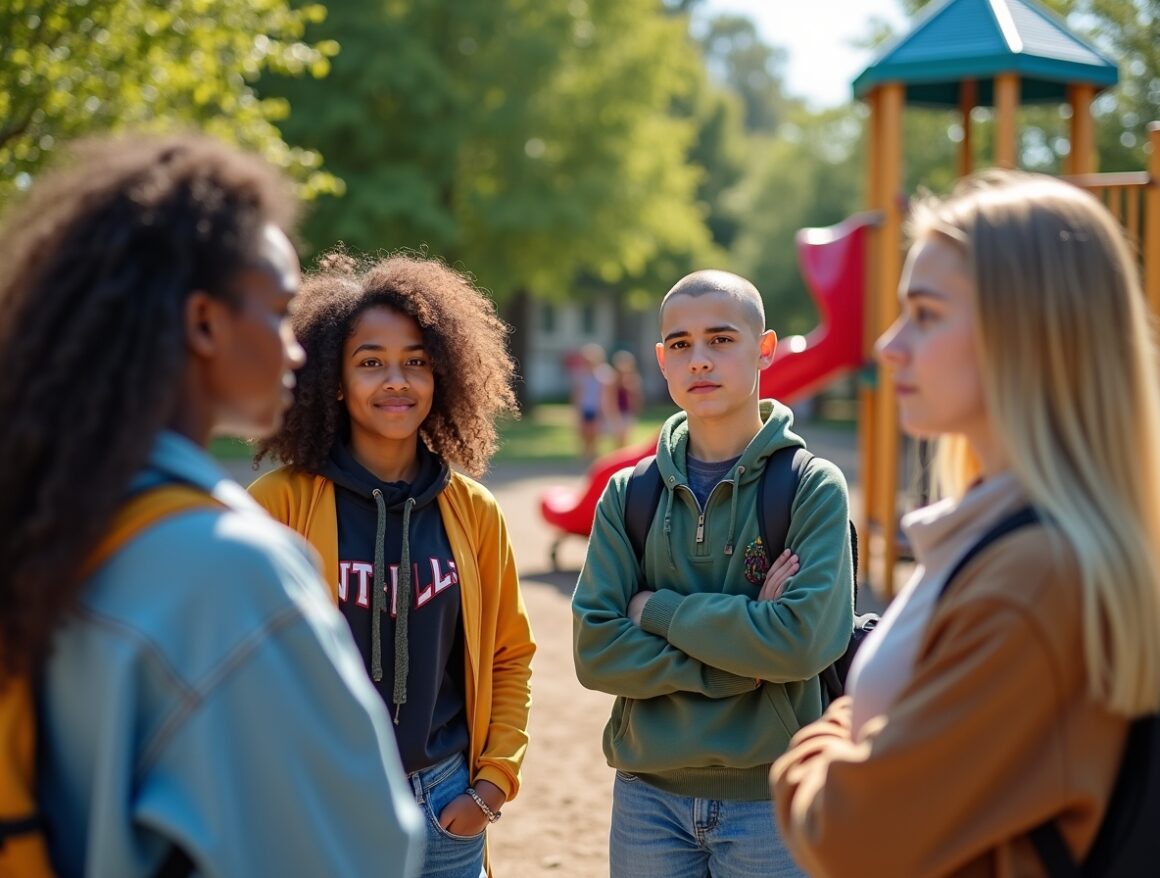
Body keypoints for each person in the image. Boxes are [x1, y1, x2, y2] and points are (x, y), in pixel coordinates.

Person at [0, 134, 424, 876]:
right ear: (204, 322)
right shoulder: (231, 574)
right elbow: (356, 857)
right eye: (282, 310)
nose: (298, 348)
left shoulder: (49, 521)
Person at [772, 171, 1160, 876]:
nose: (889, 344)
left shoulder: (1033, 575)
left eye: (925, 313)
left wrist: (830, 732)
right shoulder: (1000, 531)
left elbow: (846, 833)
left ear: (1030, 333)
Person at [248, 250, 536, 878]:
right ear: (330, 377)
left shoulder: (474, 512)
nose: (396, 381)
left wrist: (488, 788)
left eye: (416, 362)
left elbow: (509, 657)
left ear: (445, 375)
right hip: (321, 802)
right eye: (370, 363)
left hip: (445, 803)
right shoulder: (279, 505)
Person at [572, 269, 855, 878]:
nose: (698, 359)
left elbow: (801, 641)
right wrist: (742, 663)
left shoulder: (810, 487)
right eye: (680, 344)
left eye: (721, 340)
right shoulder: (629, 494)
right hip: (647, 796)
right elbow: (596, 650)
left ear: (765, 349)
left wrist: (656, 612)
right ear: (661, 361)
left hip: (772, 797)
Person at [572, 342, 616, 460]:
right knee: (585, 433)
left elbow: (609, 395)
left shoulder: (604, 374)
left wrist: (607, 411)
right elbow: (577, 393)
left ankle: (593, 455)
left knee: (595, 433)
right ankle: (586, 454)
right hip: (586, 407)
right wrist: (577, 409)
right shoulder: (581, 374)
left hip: (598, 408)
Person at [610, 349, 644, 448]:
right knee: (618, 436)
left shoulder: (633, 378)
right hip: (617, 412)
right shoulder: (614, 379)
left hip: (628, 411)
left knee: (626, 437)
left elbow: (637, 397)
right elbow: (610, 398)